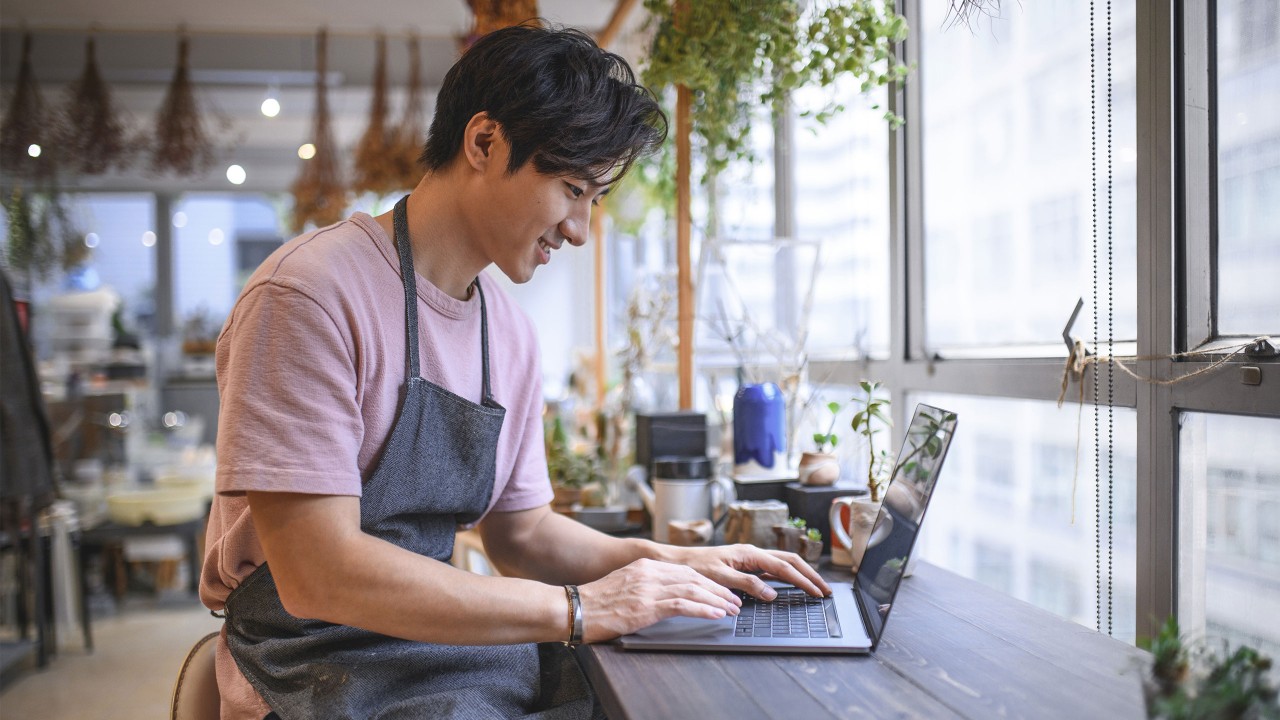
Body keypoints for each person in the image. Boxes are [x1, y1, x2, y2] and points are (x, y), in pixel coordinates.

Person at [201, 24, 830, 720]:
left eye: (594, 200)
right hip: (312, 663)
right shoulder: (308, 296)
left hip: (439, 649)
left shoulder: (508, 330)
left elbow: (522, 535)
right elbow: (320, 575)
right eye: (571, 189)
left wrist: (664, 562)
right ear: (483, 143)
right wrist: (582, 608)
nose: (581, 230)